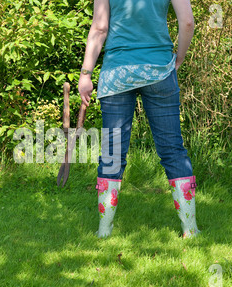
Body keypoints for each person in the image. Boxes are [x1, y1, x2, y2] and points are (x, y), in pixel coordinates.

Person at [78, 0, 200, 239]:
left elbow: (100, 28)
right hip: (159, 69)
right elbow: (187, 22)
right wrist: (180, 58)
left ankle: (104, 231)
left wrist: (86, 74)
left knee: (112, 153)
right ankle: (190, 230)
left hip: (117, 73)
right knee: (173, 150)